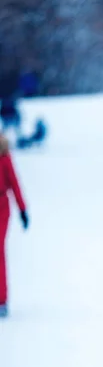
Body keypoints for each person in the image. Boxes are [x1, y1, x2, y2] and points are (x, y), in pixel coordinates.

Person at [0, 133, 29, 317]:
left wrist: (22, 209)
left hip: (1, 207)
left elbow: (14, 183)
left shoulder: (4, 156)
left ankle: (2, 299)